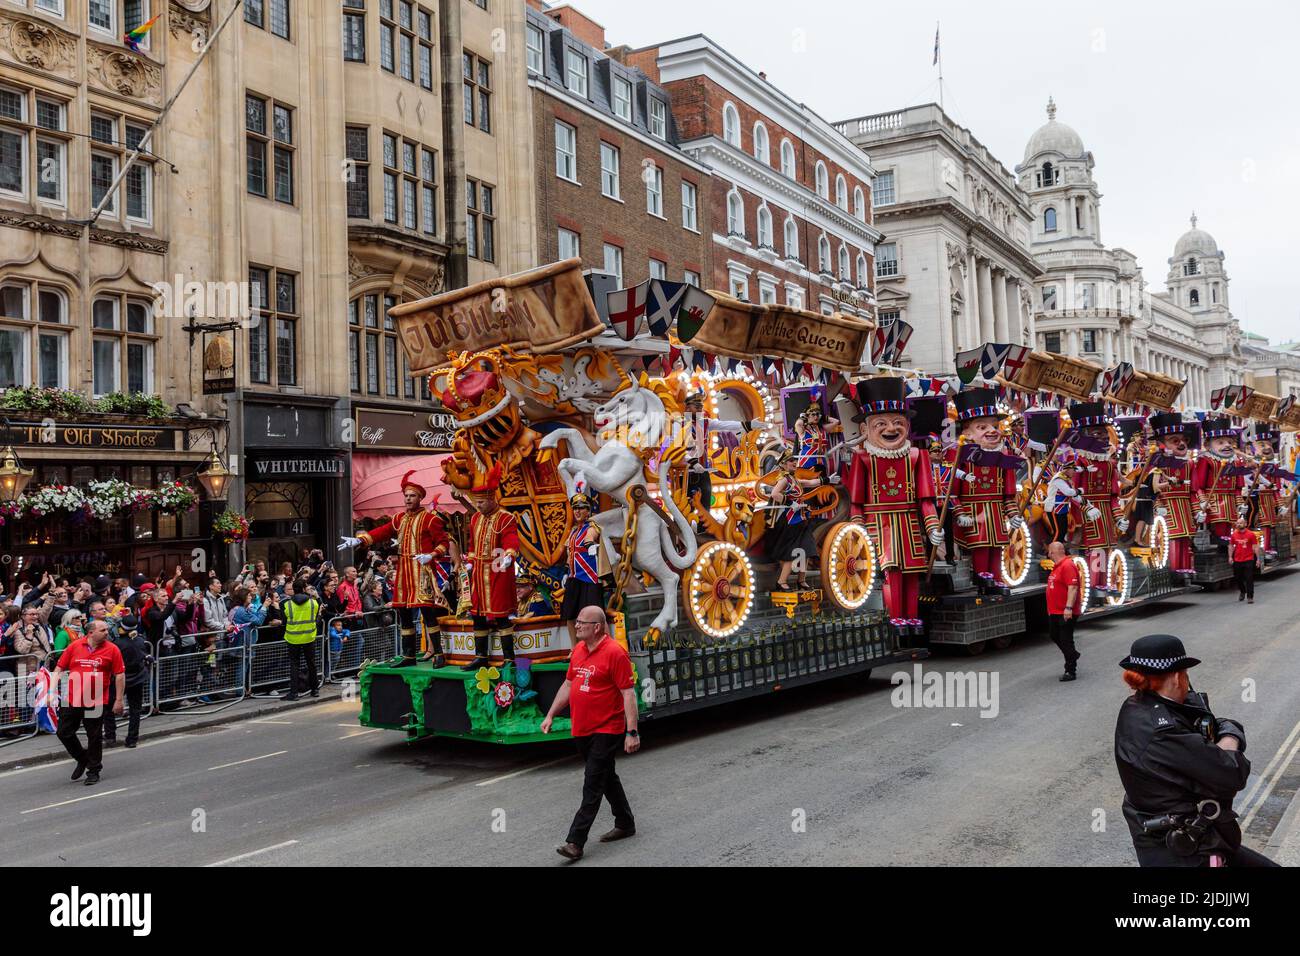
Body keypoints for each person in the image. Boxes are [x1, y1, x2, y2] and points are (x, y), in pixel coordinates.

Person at [1114, 633, 1275, 867]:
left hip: (1192, 841)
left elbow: (1215, 723)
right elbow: (1232, 772)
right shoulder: (1162, 730)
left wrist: (1225, 738)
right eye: (1186, 675)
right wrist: (1230, 740)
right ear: (1179, 677)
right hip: (1186, 853)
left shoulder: (1140, 706)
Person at [541, 606, 638, 862]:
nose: (578, 625)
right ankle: (625, 822)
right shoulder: (580, 651)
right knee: (606, 776)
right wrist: (550, 714)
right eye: (578, 621)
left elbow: (628, 693)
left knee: (592, 782)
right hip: (582, 729)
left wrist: (632, 731)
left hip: (607, 728)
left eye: (583, 622)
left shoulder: (615, 653)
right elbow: (569, 684)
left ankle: (575, 842)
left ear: (597, 627)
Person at [846, 377, 943, 626]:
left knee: (912, 574)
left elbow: (926, 499)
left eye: (898, 422)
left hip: (909, 523)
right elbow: (855, 502)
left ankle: (912, 618)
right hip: (878, 524)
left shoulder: (917, 456)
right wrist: (858, 532)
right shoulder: (863, 458)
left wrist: (932, 526)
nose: (891, 428)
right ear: (865, 430)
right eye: (881, 423)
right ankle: (896, 618)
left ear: (908, 427)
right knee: (892, 573)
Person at [341, 470, 450, 667]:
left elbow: (443, 543)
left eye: (412, 496)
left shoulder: (430, 519)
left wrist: (432, 555)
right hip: (404, 572)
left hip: (422, 571)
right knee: (404, 613)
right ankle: (408, 656)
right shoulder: (399, 518)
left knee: (427, 612)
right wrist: (359, 539)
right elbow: (381, 532)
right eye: (406, 496)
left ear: (420, 498)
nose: (408, 499)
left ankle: (439, 654)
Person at [459, 465, 520, 671]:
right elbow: (472, 544)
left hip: (498, 570)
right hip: (478, 572)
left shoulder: (506, 518)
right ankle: (480, 657)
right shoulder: (475, 518)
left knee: (501, 615)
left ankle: (509, 659)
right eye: (477, 503)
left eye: (482, 502)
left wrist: (510, 554)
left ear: (493, 499)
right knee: (477, 615)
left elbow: (511, 539)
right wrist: (469, 560)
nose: (479, 506)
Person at [50, 620, 124, 787]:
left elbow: (119, 675)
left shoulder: (112, 649)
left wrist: (119, 700)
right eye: (103, 630)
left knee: (94, 736)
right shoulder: (75, 646)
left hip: (96, 700)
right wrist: (51, 691)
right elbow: (59, 669)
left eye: (107, 629)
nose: (107, 632)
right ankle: (83, 759)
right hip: (72, 698)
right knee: (63, 732)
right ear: (91, 633)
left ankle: (94, 770)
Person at [766, 447, 821, 590]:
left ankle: (801, 580)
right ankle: (781, 581)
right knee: (792, 551)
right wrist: (791, 503)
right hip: (791, 520)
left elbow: (810, 483)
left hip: (801, 519)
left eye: (795, 460)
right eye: (791, 461)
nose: (794, 462)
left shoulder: (794, 479)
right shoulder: (784, 480)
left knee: (807, 550)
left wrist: (826, 479)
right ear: (783, 464)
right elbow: (774, 494)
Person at [560, 493, 604, 643]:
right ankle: (575, 648)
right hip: (574, 578)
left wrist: (590, 543)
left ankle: (596, 646)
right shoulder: (573, 531)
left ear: (588, 511)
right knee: (570, 616)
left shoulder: (592, 526)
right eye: (575, 509)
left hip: (590, 579)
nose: (577, 512)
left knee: (593, 617)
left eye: (581, 508)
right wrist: (566, 572)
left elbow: (591, 536)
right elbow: (569, 553)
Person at [104, 617, 151, 748]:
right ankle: (132, 739)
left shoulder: (117, 644)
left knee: (109, 708)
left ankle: (110, 736)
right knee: (135, 710)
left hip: (120, 679)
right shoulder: (140, 640)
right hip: (137, 678)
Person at [1045, 541, 1082, 681]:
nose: (1048, 554)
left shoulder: (1067, 565)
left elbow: (1073, 588)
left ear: (1055, 552)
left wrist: (1068, 608)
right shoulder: (1057, 567)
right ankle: (1073, 654)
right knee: (1054, 635)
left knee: (1066, 640)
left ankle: (1070, 671)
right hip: (1055, 611)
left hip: (1065, 611)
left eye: (1050, 551)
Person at [282, 587, 320, 700]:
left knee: (294, 665)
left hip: (293, 638)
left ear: (294, 590)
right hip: (309, 637)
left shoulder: (287, 604)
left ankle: (294, 693)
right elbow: (315, 618)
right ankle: (315, 690)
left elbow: (284, 621)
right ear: (304, 589)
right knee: (311, 664)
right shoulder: (314, 603)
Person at [1227, 517, 1261, 604]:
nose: (1238, 525)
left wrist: (1258, 559)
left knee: (1249, 578)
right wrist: (1230, 557)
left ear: (1245, 524)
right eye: (1237, 523)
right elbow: (1231, 546)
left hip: (1249, 559)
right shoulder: (1234, 535)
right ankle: (1242, 591)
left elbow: (1255, 547)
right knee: (1237, 578)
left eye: (1240, 523)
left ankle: (1250, 597)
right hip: (1237, 559)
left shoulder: (1251, 534)